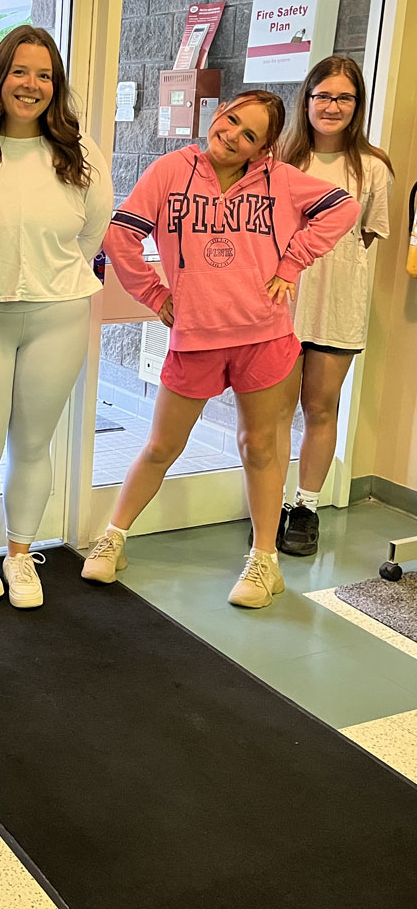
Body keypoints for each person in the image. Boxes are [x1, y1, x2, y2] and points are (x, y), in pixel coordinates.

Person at [84, 90, 359, 608]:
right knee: (162, 446)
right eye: (231, 121)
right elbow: (121, 234)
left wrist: (291, 262)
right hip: (196, 339)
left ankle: (263, 562)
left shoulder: (279, 180)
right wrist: (154, 293)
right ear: (219, 115)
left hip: (265, 336)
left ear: (263, 148)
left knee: (260, 447)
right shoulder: (172, 169)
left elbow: (344, 207)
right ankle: (113, 536)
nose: (232, 135)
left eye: (249, 134)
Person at [0, 26, 113, 609]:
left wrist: (45, 271)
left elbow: (92, 233)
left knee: (34, 444)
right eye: (19, 72)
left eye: (43, 75)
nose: (31, 85)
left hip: (57, 313)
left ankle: (21, 554)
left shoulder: (80, 153)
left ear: (55, 85)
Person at [272, 57, 392, 556]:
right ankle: (268, 506)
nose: (332, 106)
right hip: (280, 304)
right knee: (273, 413)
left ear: (357, 106)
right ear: (307, 100)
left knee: (321, 408)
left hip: (336, 307)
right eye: (323, 96)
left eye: (344, 98)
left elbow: (366, 236)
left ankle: (305, 508)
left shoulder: (373, 167)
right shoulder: (280, 159)